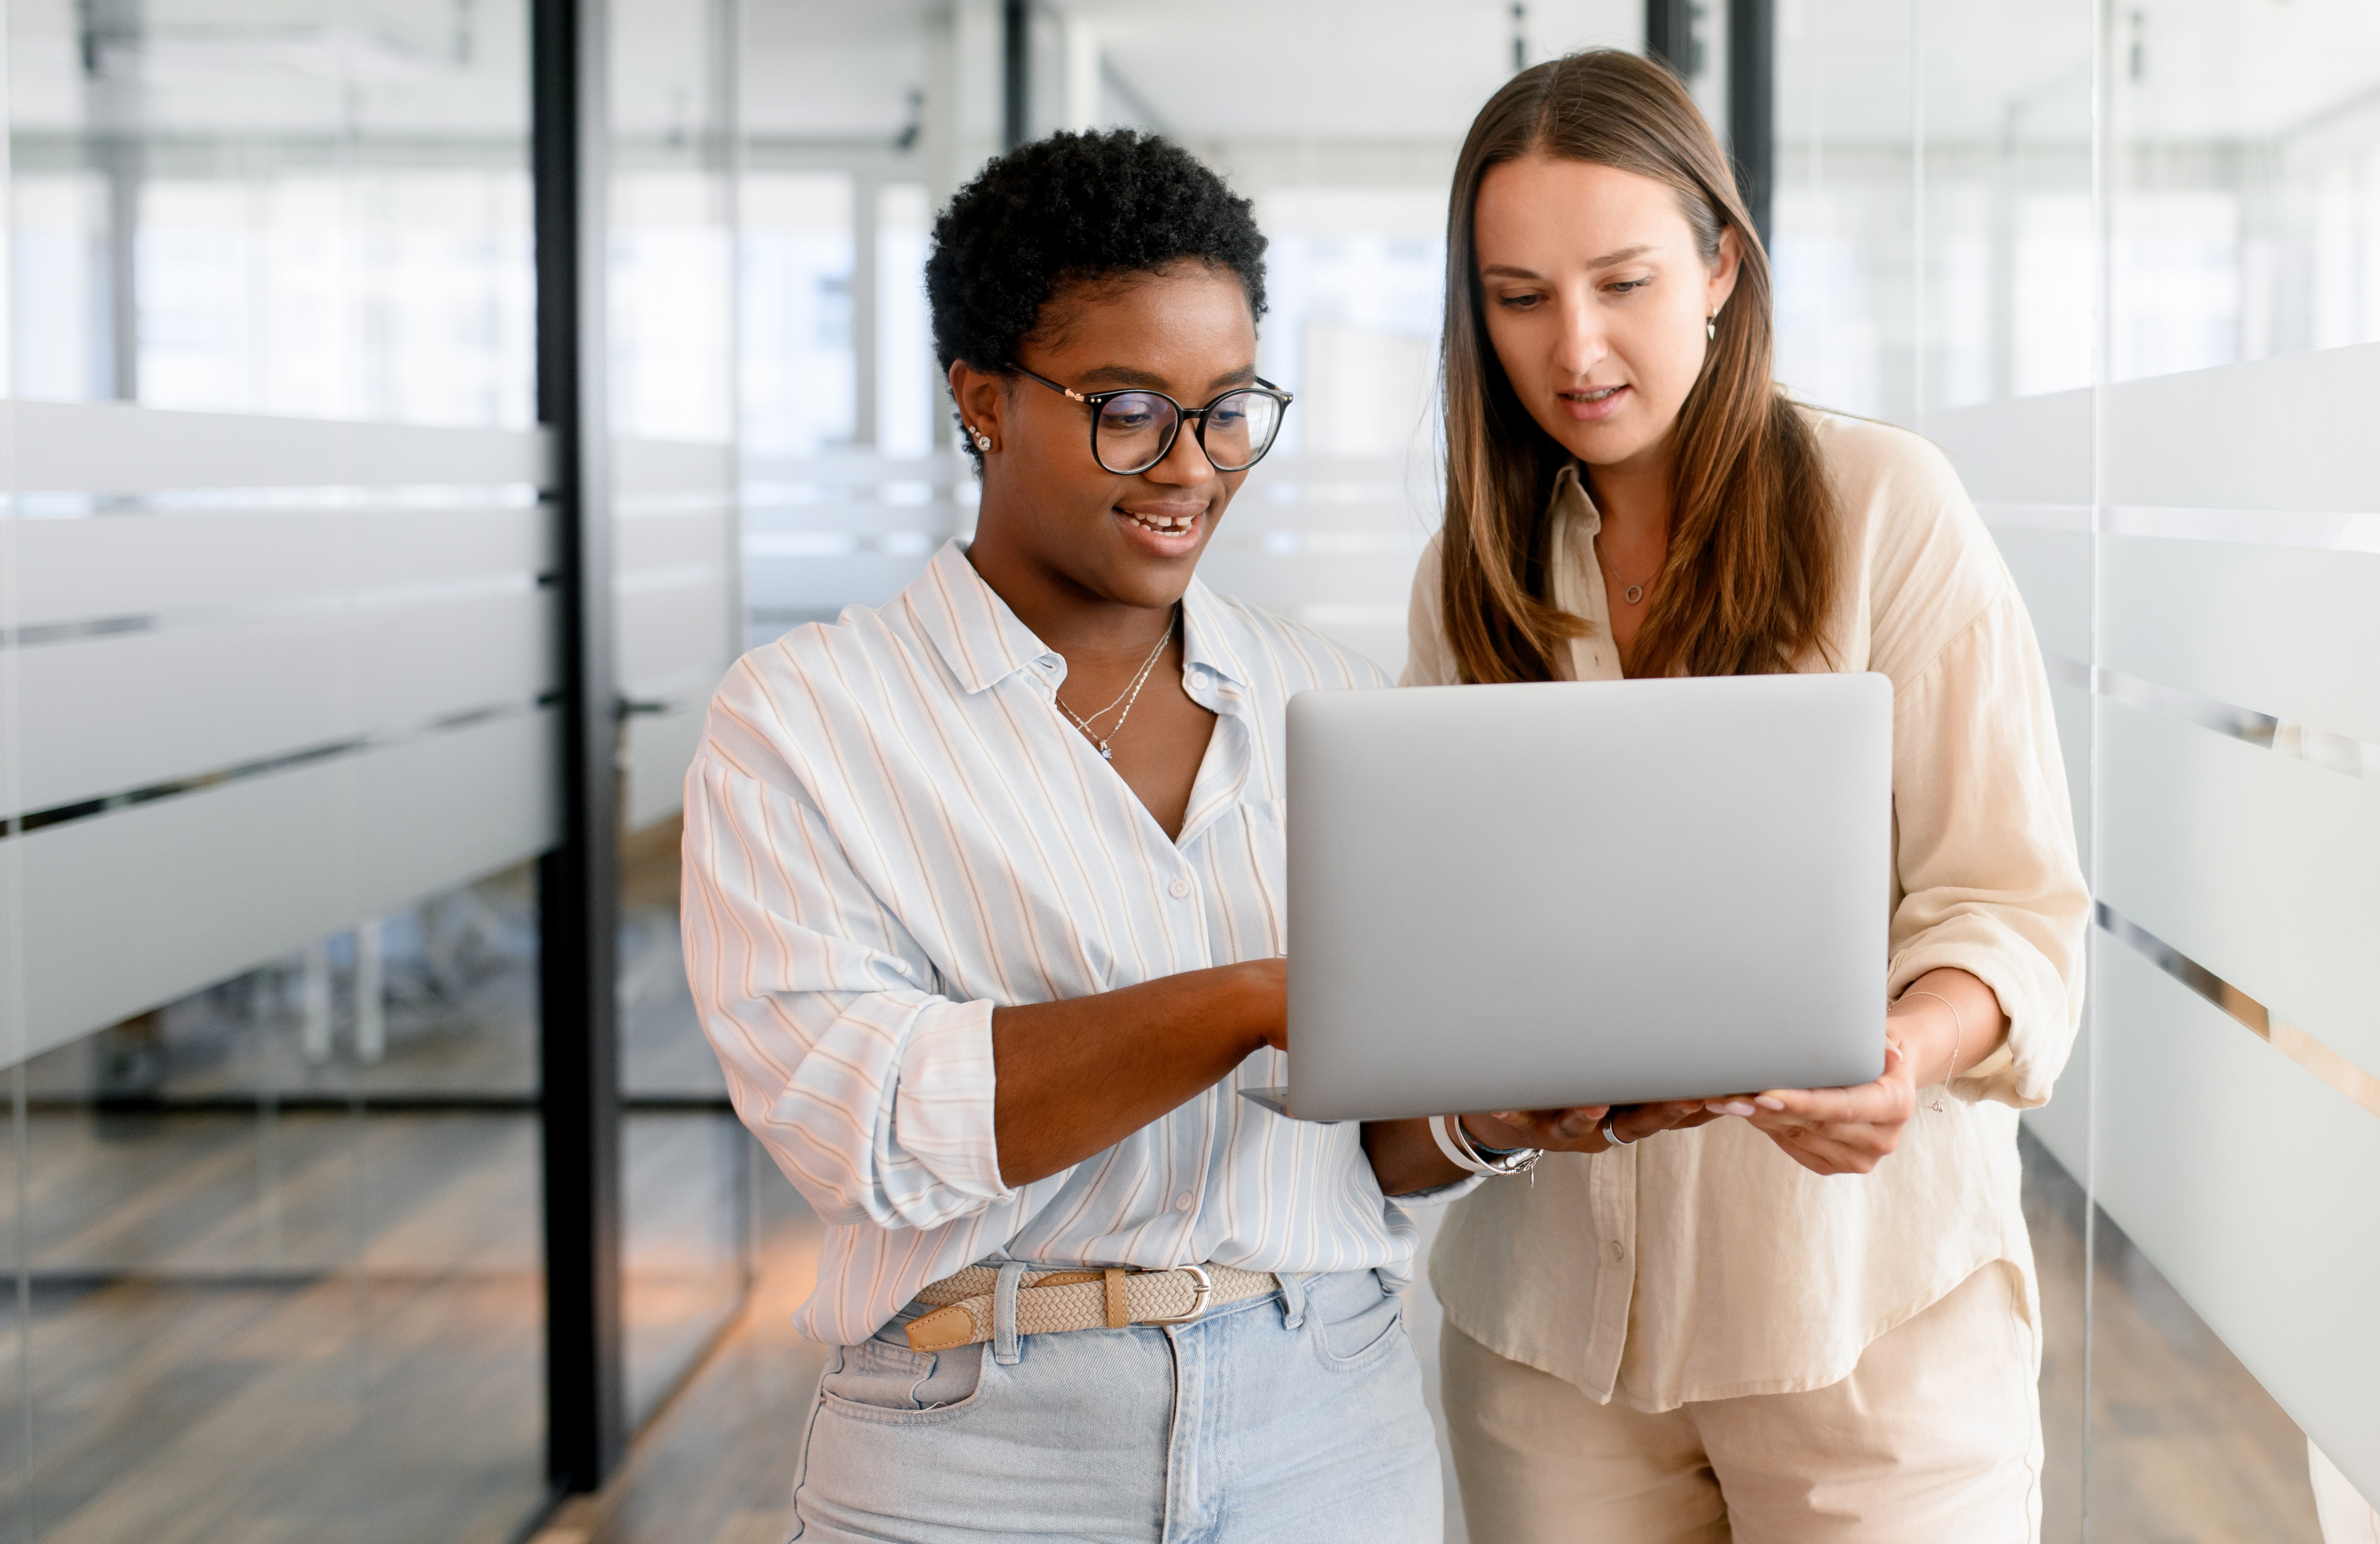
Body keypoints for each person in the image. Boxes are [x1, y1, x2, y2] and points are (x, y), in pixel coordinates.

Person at [679, 130, 1454, 1544]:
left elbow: (1383, 1139)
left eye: (1230, 409)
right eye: (1131, 408)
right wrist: (1250, 999)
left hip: (1328, 1424)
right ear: (980, 399)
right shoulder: (803, 722)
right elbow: (866, 1131)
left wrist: (1500, 1109)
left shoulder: (1330, 701)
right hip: (974, 1451)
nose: (1192, 466)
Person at [1405, 50, 2090, 1544]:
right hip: (1552, 1344)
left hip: (1867, 1327)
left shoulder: (1884, 507)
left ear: (1721, 266)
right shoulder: (1477, 573)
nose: (1574, 348)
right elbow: (1454, 931)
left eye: (1625, 283)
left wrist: (1905, 1053)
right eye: (1518, 300)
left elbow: (2013, 902)